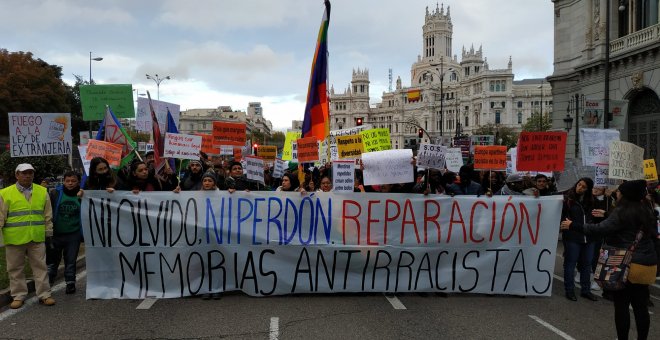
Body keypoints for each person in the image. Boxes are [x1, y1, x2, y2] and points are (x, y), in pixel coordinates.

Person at [561, 180, 658, 340]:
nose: (616, 193)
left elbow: (600, 230)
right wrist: (607, 215)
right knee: (640, 306)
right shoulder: (647, 210)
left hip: (626, 264)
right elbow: (632, 227)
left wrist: (574, 225)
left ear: (626, 195)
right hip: (646, 265)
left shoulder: (622, 212)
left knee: (621, 306)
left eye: (619, 191)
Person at [0, 163, 56, 308]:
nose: (27, 175)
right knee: (15, 268)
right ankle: (18, 295)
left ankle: (44, 294)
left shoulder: (43, 191)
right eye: (24, 173)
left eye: (30, 173)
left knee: (40, 267)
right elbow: (1, 217)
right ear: (16, 175)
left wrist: (48, 233)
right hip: (14, 238)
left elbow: (47, 215)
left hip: (36, 237)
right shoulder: (5, 193)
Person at [560, 177, 599, 302]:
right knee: (570, 263)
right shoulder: (567, 198)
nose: (580, 188)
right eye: (579, 184)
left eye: (583, 187)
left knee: (587, 265)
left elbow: (598, 218)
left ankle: (585, 290)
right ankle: (569, 290)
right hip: (572, 237)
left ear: (588, 189)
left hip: (589, 238)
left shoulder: (592, 201)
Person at [47, 171, 82, 294]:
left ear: (78, 182)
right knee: (52, 261)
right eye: (67, 181)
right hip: (56, 234)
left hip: (74, 234)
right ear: (64, 181)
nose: (70, 183)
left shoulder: (82, 195)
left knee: (71, 260)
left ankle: (70, 283)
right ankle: (48, 284)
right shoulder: (55, 193)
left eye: (73, 181)